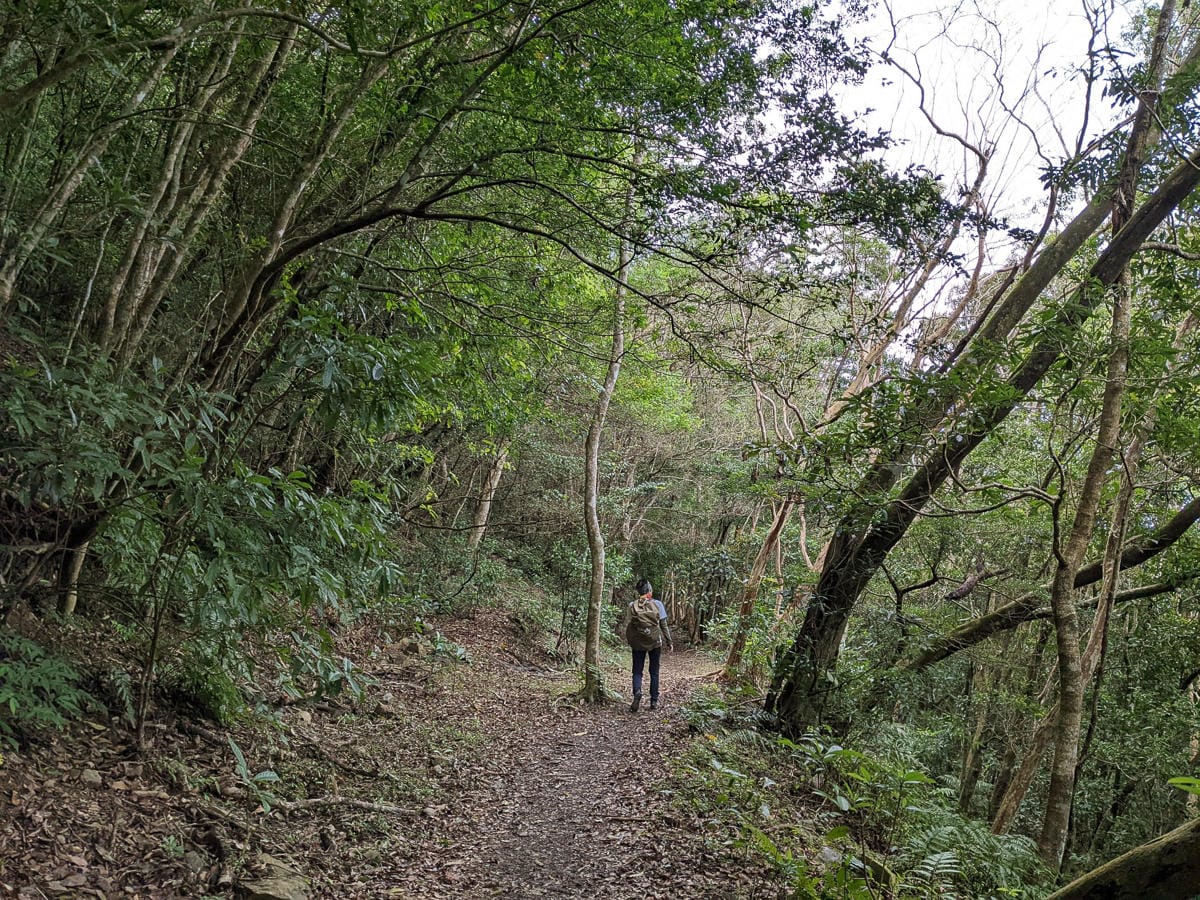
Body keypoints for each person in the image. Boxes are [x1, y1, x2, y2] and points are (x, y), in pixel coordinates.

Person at [618, 578, 673, 712]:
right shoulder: (658, 604)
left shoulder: (632, 605)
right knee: (654, 672)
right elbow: (663, 625)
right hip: (655, 642)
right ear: (649, 590)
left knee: (637, 671)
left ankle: (637, 692)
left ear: (638, 592)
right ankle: (653, 701)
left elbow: (629, 624)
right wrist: (669, 641)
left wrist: (630, 639)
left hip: (638, 642)